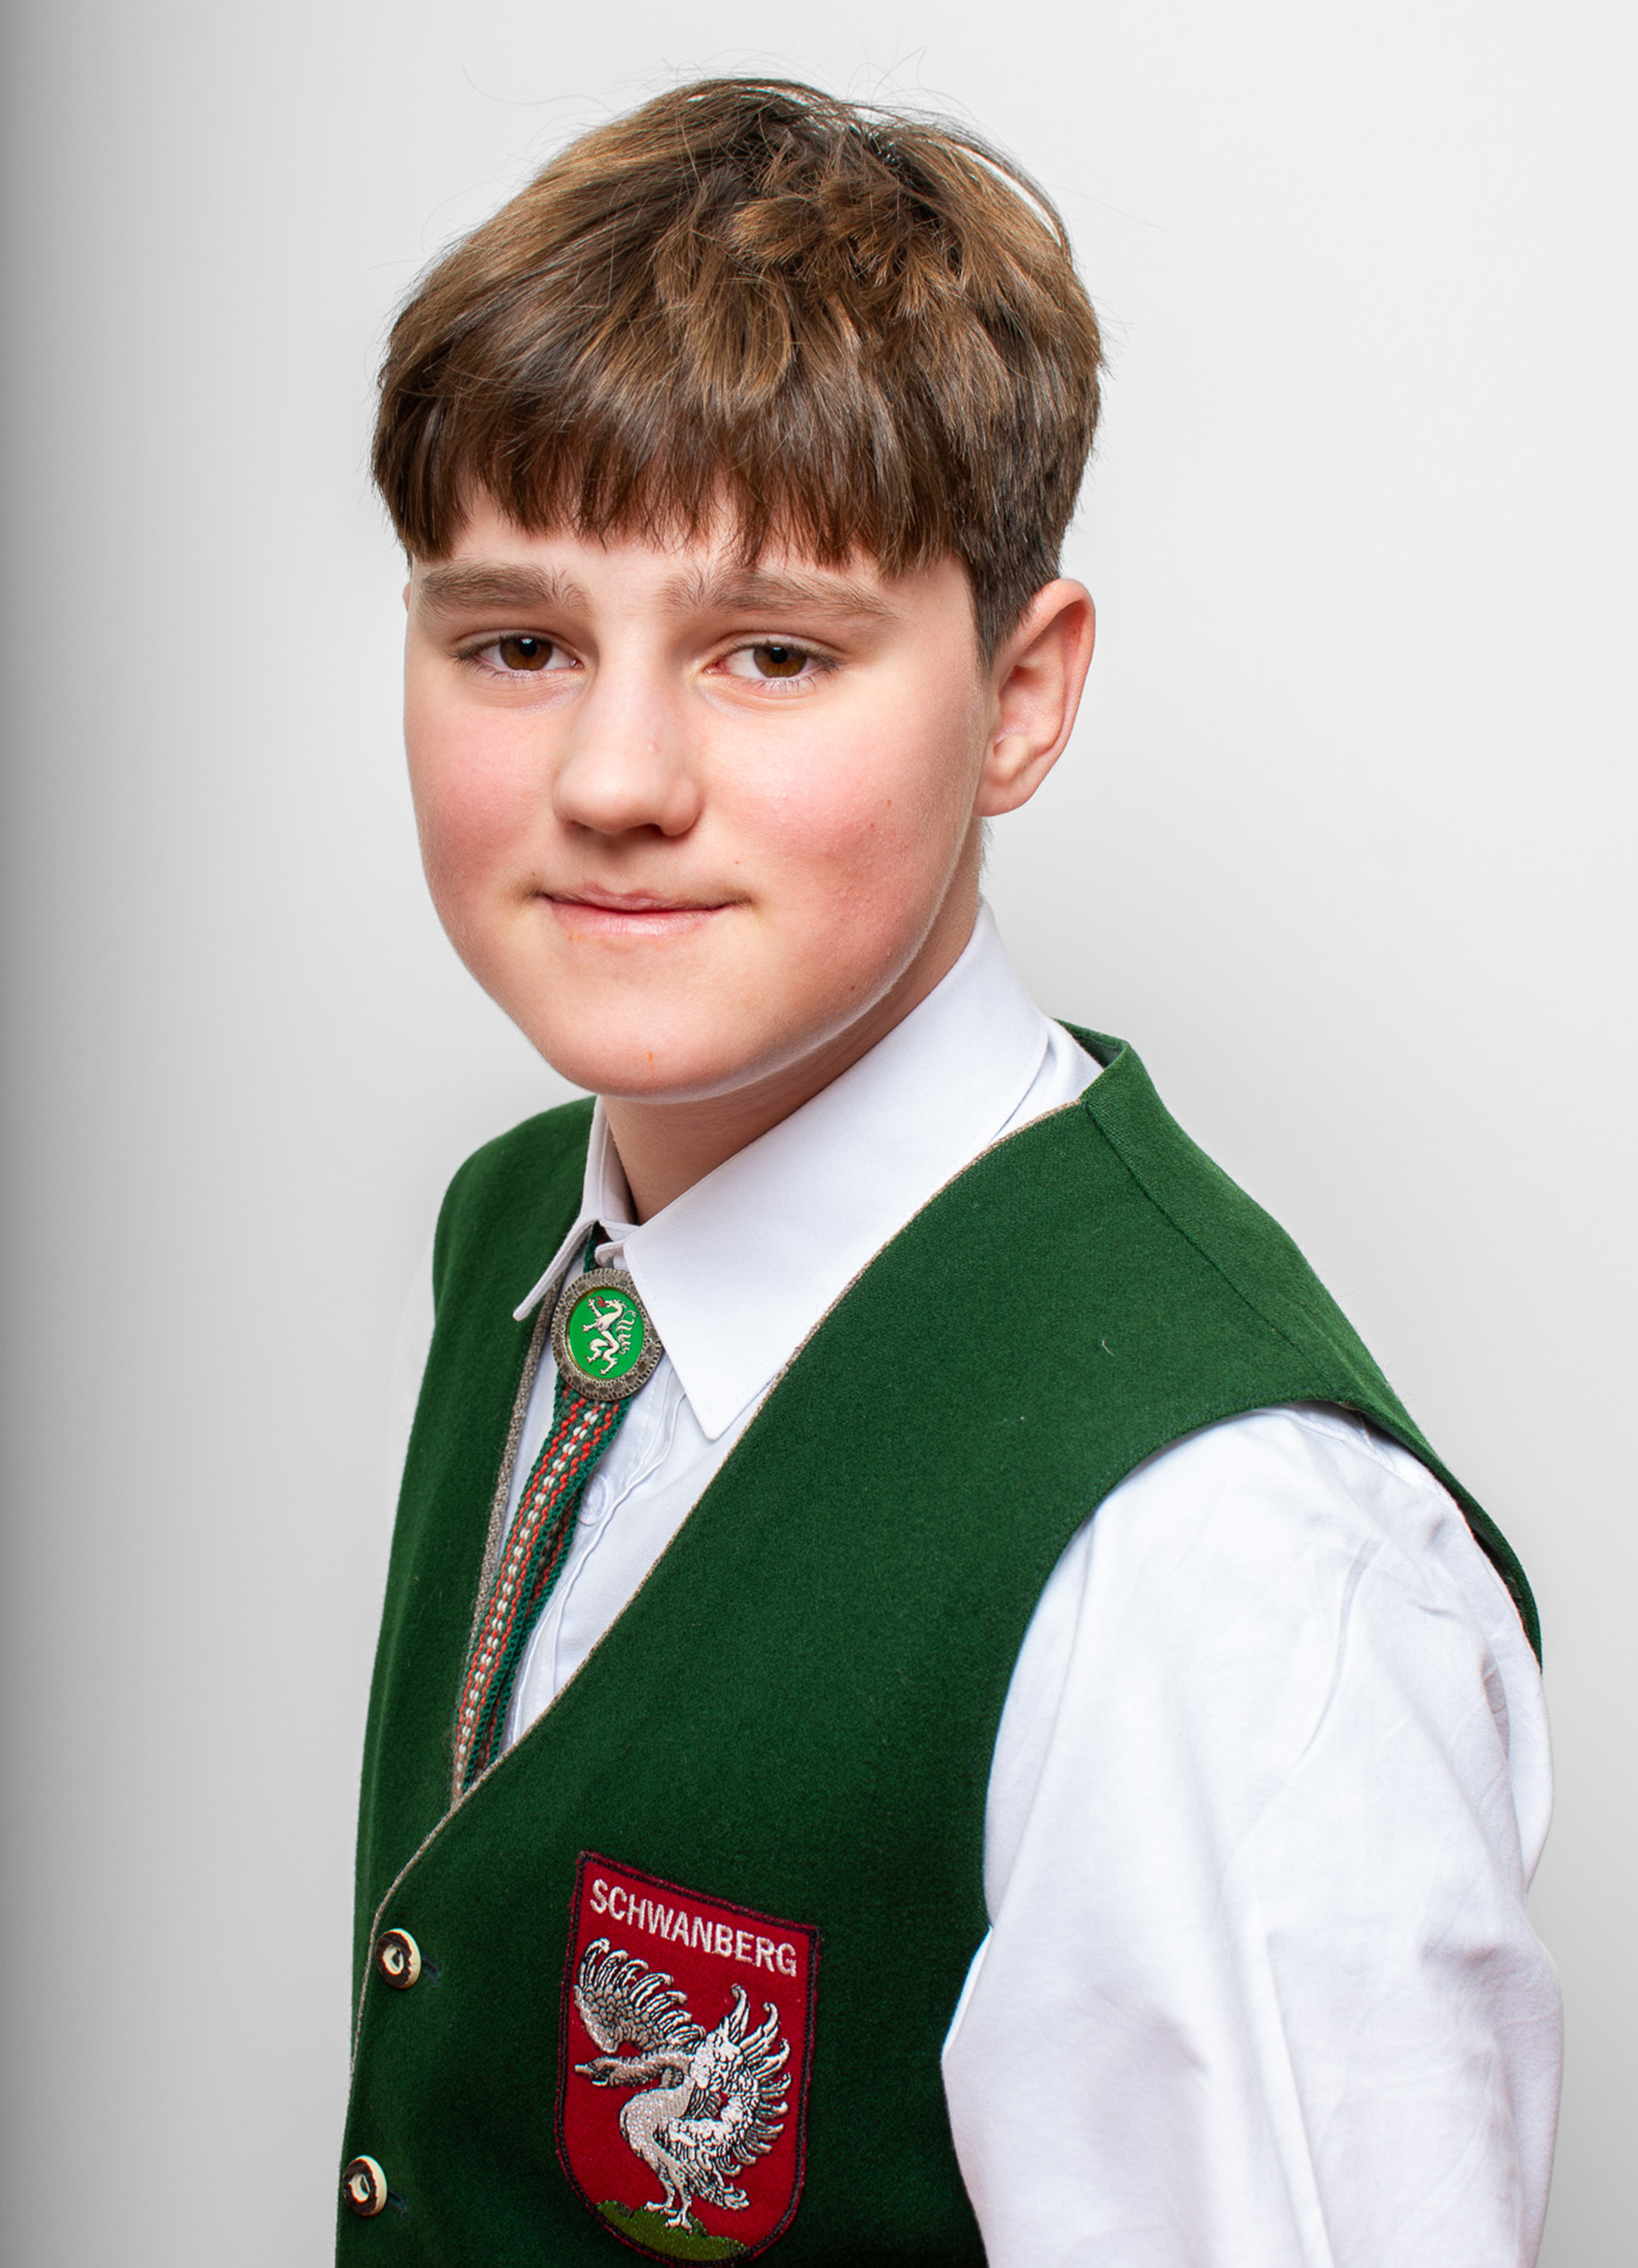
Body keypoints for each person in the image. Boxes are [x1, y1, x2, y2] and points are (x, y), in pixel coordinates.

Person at [339, 77, 1560, 2268]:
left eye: (771, 654)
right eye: (516, 644)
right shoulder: (519, 1228)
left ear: (1019, 696)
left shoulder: (1216, 1559)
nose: (612, 779)